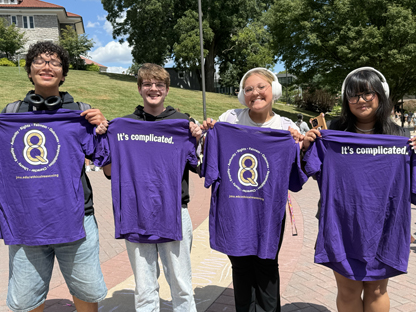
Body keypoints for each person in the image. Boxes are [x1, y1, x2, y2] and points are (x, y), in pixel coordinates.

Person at [0, 41, 109, 312]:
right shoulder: (9, 115)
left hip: (76, 220)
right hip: (25, 222)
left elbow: (107, 167)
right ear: (28, 71)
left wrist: (103, 130)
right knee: (26, 300)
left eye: (55, 63)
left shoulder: (81, 113)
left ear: (63, 73)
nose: (47, 67)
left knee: (86, 291)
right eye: (39, 61)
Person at [303, 67, 415, 312]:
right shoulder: (333, 133)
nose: (360, 100)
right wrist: (306, 146)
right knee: (348, 289)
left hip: (384, 224)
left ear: (380, 96)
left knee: (376, 289)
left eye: (367, 94)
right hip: (341, 222)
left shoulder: (398, 136)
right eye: (353, 95)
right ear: (346, 99)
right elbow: (310, 171)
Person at [200, 68, 305, 312]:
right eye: (248, 89)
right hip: (234, 209)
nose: (255, 93)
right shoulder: (229, 120)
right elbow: (209, 163)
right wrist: (207, 134)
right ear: (242, 94)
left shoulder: (285, 127)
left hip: (267, 212)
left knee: (267, 267)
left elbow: (295, 178)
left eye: (261, 87)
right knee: (240, 267)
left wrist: (299, 144)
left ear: (274, 91)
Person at [103, 63, 201, 312]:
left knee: (182, 285)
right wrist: (105, 135)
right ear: (139, 89)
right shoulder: (123, 126)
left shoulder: (182, 124)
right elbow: (108, 171)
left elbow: (199, 165)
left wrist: (197, 137)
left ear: (167, 89)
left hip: (174, 212)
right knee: (145, 288)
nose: (153, 88)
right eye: (147, 84)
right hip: (136, 213)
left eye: (159, 84)